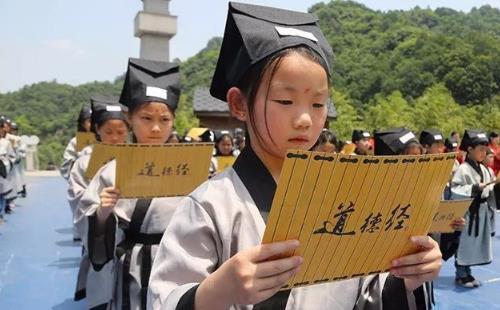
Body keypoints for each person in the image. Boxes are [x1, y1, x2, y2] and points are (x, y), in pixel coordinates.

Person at [148, 3, 441, 309]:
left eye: (317, 104)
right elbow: (164, 298)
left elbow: (366, 293)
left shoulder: (344, 199)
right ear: (238, 104)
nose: (305, 119)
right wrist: (216, 291)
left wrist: (405, 276)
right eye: (285, 100)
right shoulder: (210, 205)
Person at [79, 58, 185, 309]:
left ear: (173, 121)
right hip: (133, 269)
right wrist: (103, 213)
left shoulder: (188, 168)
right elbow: (91, 221)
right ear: (131, 119)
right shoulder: (112, 170)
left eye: (165, 120)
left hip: (178, 264)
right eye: (146, 118)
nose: (156, 128)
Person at [67, 96, 129, 301]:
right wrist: (98, 208)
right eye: (109, 131)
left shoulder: (137, 161)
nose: (115, 137)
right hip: (102, 233)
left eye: (120, 132)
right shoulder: (84, 163)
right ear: (98, 130)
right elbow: (78, 200)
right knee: (104, 286)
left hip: (130, 239)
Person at [451, 130, 497, 288]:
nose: (484, 153)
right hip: (468, 212)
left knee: (473, 244)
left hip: (481, 211)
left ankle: (467, 273)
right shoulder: (463, 169)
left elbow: (490, 193)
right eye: (480, 149)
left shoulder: (484, 169)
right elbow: (455, 189)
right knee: (464, 243)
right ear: (470, 149)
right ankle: (461, 274)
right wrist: (474, 188)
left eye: (486, 150)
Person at [60, 104, 92, 180]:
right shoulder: (77, 141)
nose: (94, 124)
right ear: (83, 124)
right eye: (90, 121)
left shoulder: (110, 140)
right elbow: (65, 169)